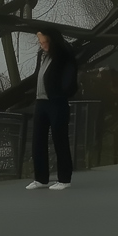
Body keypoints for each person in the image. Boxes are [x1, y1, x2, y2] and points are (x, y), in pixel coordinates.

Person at [24, 27, 78, 191]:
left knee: (59, 140)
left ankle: (64, 179)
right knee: (38, 140)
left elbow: (70, 74)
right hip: (41, 102)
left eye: (46, 42)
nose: (43, 45)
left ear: (53, 40)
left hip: (56, 102)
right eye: (41, 43)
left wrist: (62, 93)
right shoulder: (43, 55)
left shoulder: (63, 54)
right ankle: (41, 178)